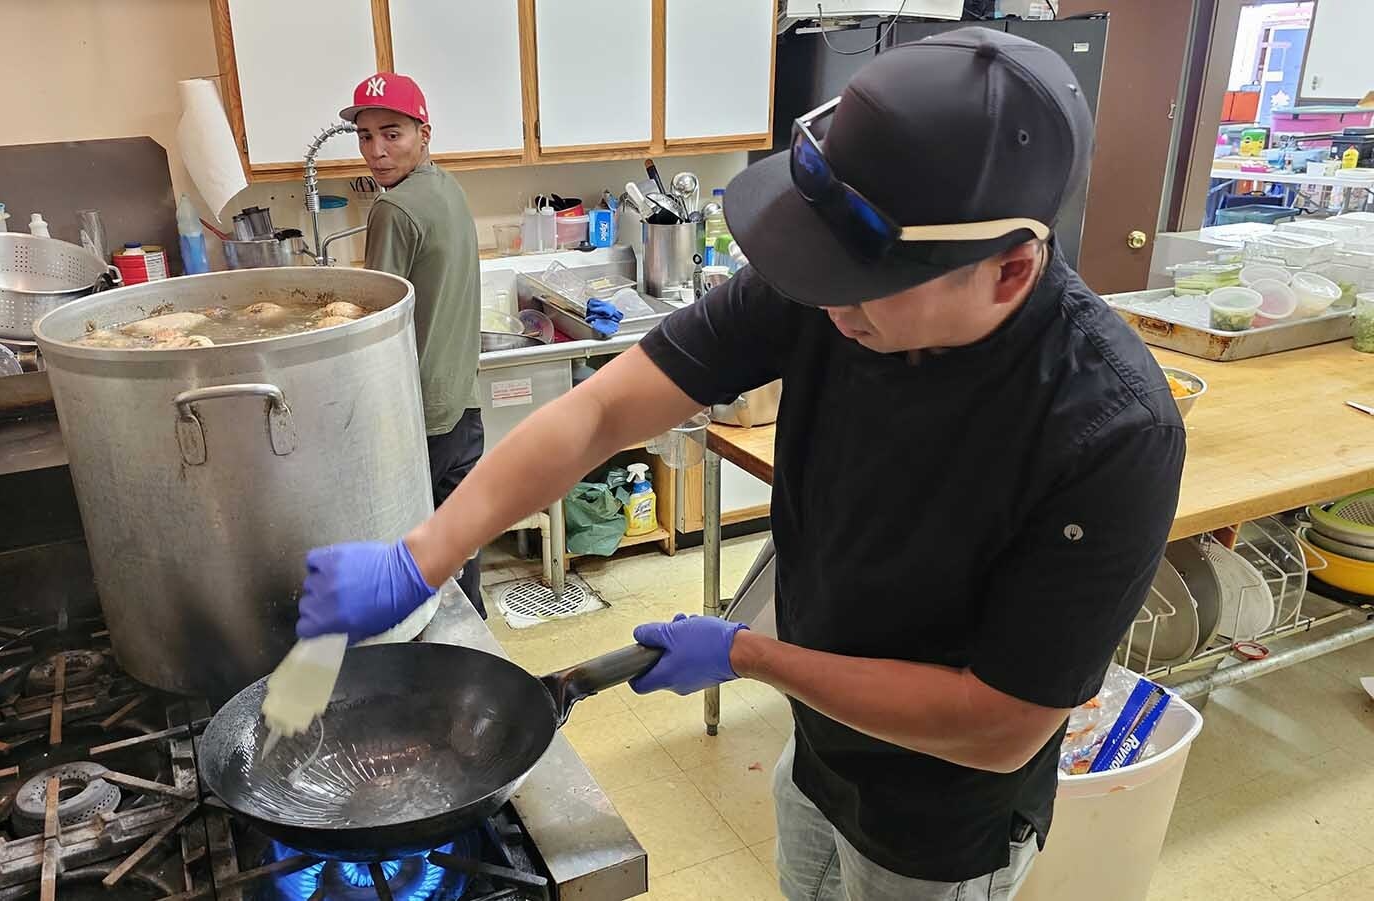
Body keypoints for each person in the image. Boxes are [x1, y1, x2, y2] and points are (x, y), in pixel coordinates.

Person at [299, 29, 1184, 900]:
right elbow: (606, 407)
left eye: (864, 292)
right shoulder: (836, 279)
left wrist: (752, 656)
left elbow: (997, 725)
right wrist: (429, 553)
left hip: (941, 821)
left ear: (1011, 268)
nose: (832, 308)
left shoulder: (1108, 428)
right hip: (819, 747)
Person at [341, 72, 486, 615]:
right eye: (365, 136)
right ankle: (473, 646)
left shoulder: (394, 210)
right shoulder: (446, 187)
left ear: (423, 132)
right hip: (460, 401)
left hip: (417, 413)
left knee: (411, 557)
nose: (375, 151)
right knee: (458, 538)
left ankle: (420, 660)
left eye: (391, 133)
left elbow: (374, 325)